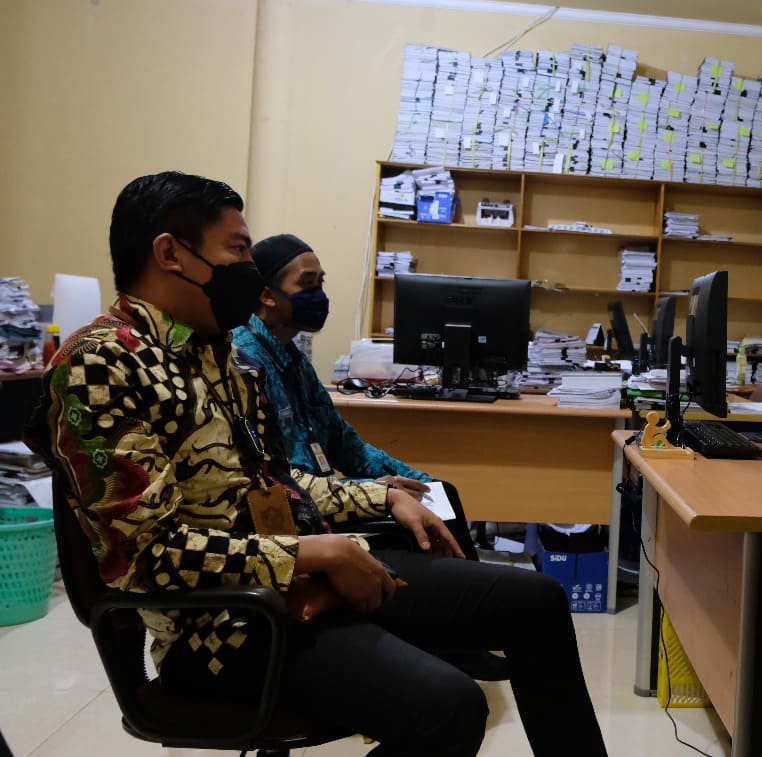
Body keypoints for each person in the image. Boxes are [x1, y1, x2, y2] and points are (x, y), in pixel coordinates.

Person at [25, 172, 607, 757]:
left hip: (296, 578)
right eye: (238, 250)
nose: (249, 269)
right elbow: (144, 559)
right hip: (222, 628)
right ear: (170, 254)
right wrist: (317, 554)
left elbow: (274, 481)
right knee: (449, 707)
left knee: (536, 602)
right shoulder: (100, 364)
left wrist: (385, 497)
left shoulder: (215, 353)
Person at [230, 233, 479, 561]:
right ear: (267, 295)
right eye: (307, 283)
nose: (318, 294)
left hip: (329, 500)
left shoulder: (294, 360)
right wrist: (375, 492)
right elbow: (278, 480)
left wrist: (423, 482)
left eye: (320, 283)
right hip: (300, 523)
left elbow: (346, 445)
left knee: (443, 493)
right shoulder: (244, 361)